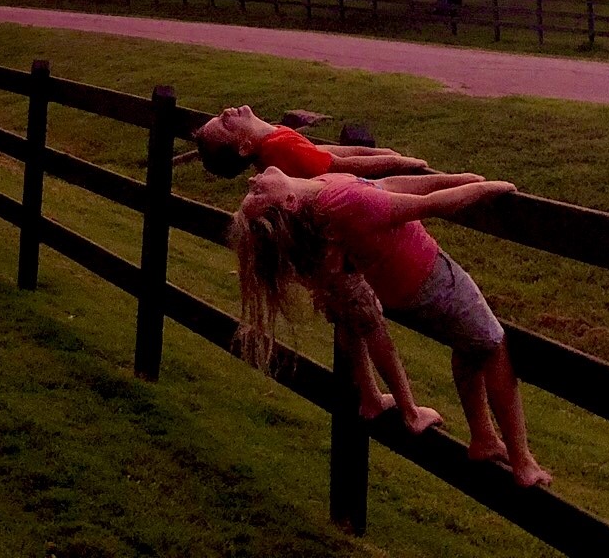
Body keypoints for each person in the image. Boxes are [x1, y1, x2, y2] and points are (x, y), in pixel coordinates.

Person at [229, 166, 551, 488]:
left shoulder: (321, 192)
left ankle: (483, 439)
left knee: (470, 345)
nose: (251, 181)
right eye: (257, 194)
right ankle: (522, 462)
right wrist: (491, 186)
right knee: (493, 346)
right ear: (288, 201)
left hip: (405, 281)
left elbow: (387, 184)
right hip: (428, 277)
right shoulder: (345, 202)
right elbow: (433, 205)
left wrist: (457, 178)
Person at [193, 104, 428, 180]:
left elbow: (323, 151)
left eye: (217, 116)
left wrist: (377, 152)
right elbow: (341, 166)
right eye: (224, 124)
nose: (224, 113)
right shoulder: (280, 149)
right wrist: (397, 162)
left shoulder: (275, 137)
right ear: (244, 147)